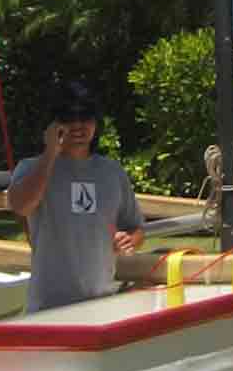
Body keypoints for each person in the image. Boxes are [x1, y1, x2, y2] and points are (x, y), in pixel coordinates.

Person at [7, 80, 145, 312]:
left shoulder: (112, 171)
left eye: (85, 117)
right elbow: (21, 206)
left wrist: (130, 240)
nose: (78, 126)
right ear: (53, 124)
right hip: (48, 307)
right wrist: (51, 153)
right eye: (68, 118)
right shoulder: (29, 168)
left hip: (104, 301)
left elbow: (136, 228)